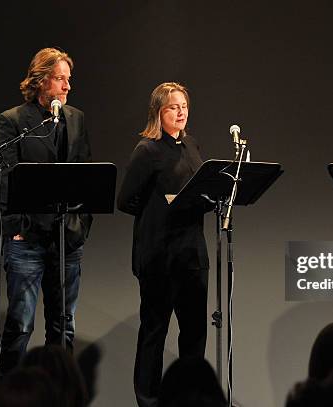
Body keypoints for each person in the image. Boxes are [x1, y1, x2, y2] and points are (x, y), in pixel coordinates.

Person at [0, 47, 92, 377]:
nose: (67, 86)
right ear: (41, 80)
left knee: (64, 326)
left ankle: (58, 395)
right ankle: (10, 395)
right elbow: (3, 180)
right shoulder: (14, 121)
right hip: (28, 240)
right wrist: (17, 227)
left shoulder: (75, 119)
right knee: (20, 325)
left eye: (68, 79)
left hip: (67, 240)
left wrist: (81, 225)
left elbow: (87, 173)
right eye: (60, 79)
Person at [117, 82, 210, 407]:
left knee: (195, 333)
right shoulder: (147, 150)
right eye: (173, 107)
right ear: (159, 112)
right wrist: (162, 205)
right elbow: (126, 200)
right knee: (155, 333)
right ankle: (148, 400)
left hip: (192, 255)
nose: (181, 111)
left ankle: (191, 399)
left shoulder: (192, 145)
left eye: (184, 105)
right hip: (159, 257)